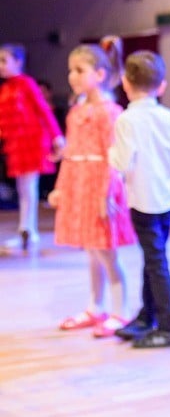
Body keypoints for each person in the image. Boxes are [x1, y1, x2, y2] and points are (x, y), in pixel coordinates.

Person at [109, 51, 170, 348]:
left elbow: (120, 163)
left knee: (156, 261)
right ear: (161, 86)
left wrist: (109, 154)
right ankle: (148, 316)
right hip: (166, 198)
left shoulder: (127, 119)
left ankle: (168, 327)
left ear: (125, 83)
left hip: (142, 200)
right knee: (152, 257)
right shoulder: (167, 116)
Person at [49, 43, 135, 336]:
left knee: (107, 252)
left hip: (100, 186)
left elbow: (115, 156)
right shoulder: (75, 112)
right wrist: (61, 187)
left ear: (99, 74)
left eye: (79, 70)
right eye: (70, 70)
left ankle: (119, 310)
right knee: (91, 251)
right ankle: (94, 306)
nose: (72, 75)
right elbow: (71, 151)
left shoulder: (110, 112)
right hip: (79, 183)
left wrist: (108, 193)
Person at [0, 43, 65, 250]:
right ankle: (25, 229)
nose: (0, 66)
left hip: (32, 141)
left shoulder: (27, 84)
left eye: (4, 60)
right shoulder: (6, 88)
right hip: (16, 142)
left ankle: (28, 230)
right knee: (22, 187)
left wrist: (56, 136)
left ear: (18, 62)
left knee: (28, 187)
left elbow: (43, 110)